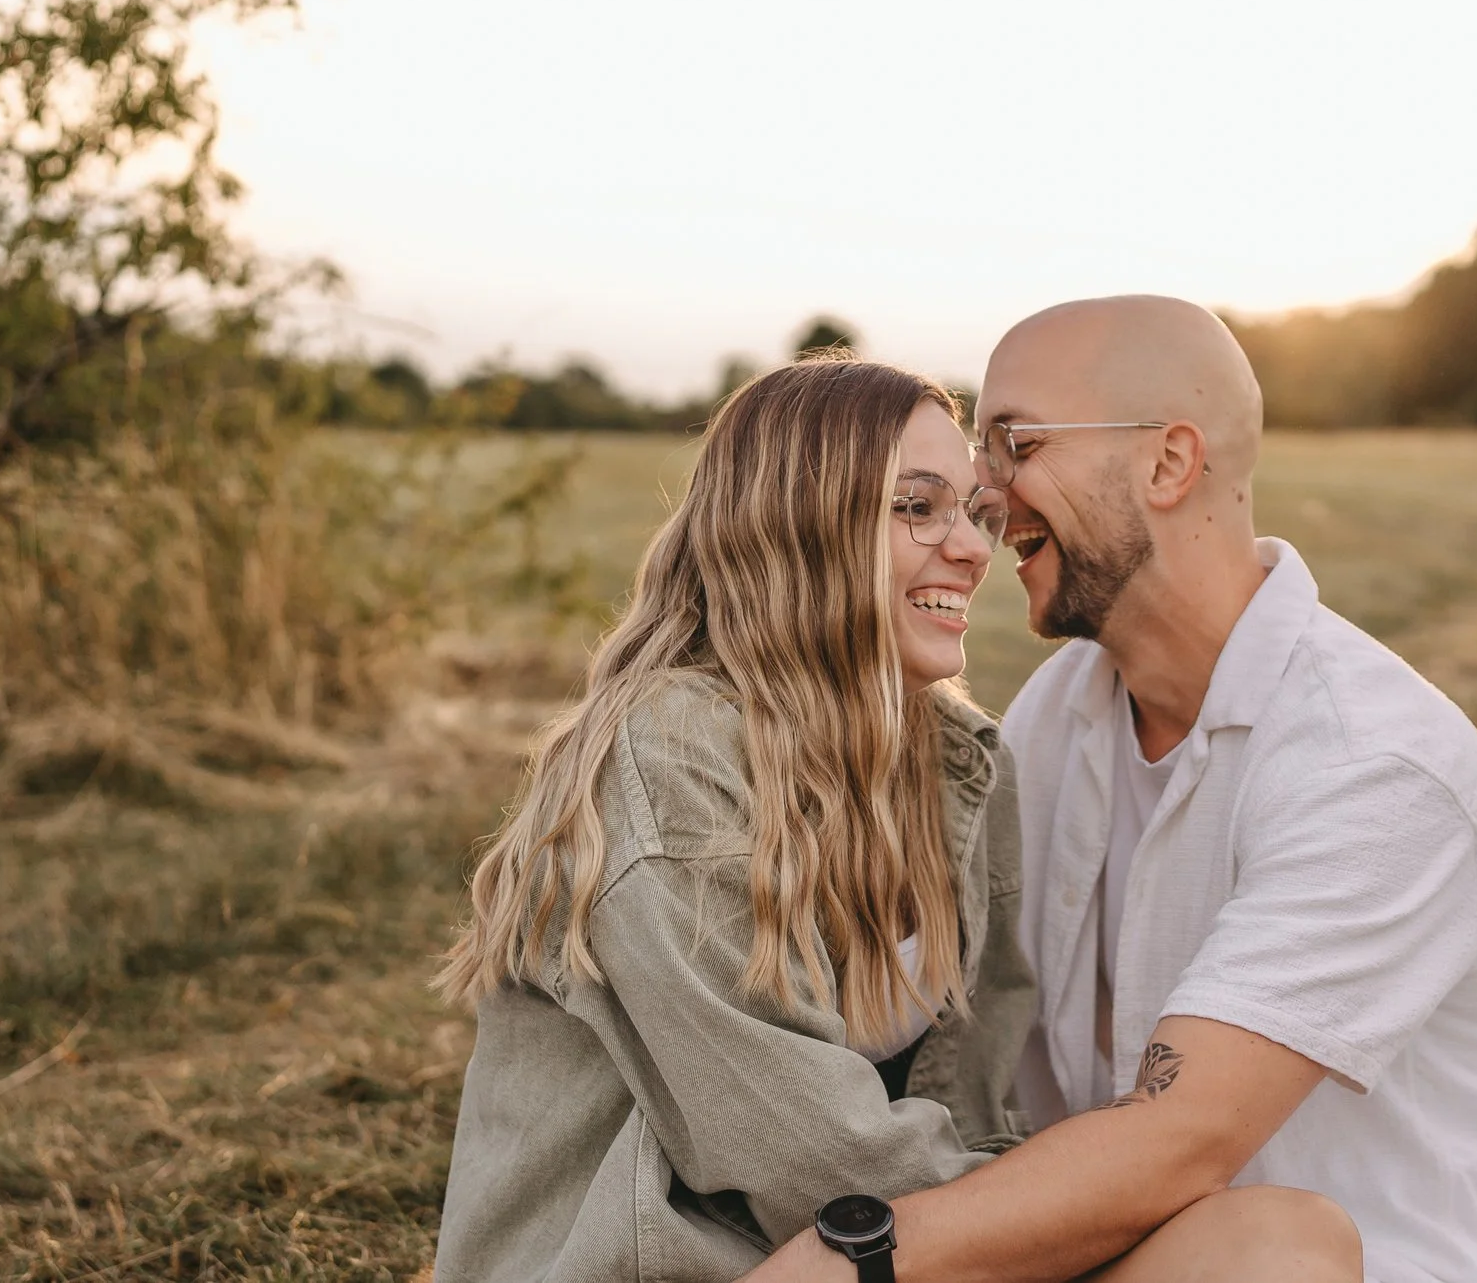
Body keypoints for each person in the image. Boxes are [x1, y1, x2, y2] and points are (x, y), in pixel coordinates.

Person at [745, 297, 1477, 1283]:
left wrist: (842, 1261)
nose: (983, 495)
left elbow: (1177, 1139)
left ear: (1168, 463)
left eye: (1013, 443)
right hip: (1094, 1253)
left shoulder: (1370, 764)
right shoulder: (1058, 712)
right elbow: (925, 1001)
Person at [430, 356, 1033, 1283]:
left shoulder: (958, 761)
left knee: (1275, 1233)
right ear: (795, 525)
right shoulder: (671, 755)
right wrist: (1065, 1207)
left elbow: (973, 1091)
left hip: (873, 1253)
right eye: (917, 506)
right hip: (666, 1263)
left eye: (975, 511)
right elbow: (810, 1155)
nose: (971, 548)